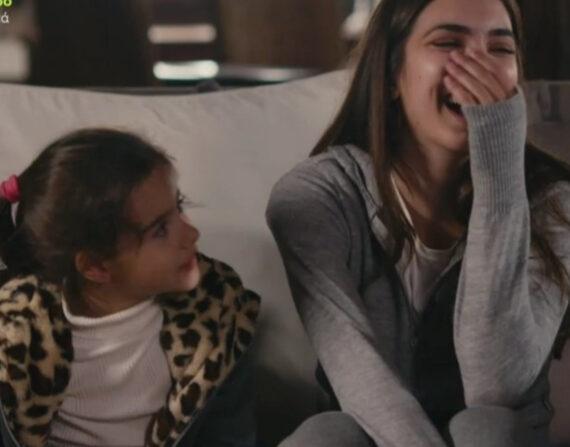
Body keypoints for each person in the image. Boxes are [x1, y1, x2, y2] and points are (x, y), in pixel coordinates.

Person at [266, 0, 570, 446]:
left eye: (500, 49)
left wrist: (498, 160)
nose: (478, 66)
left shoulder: (557, 205)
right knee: (327, 434)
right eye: (448, 42)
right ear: (392, 74)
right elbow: (359, 376)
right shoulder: (315, 197)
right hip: (374, 432)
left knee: (484, 427)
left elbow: (495, 387)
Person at [0, 128, 261, 447]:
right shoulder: (15, 337)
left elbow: (230, 437)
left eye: (179, 206)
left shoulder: (219, 313)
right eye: (161, 230)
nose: (191, 234)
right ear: (95, 266)